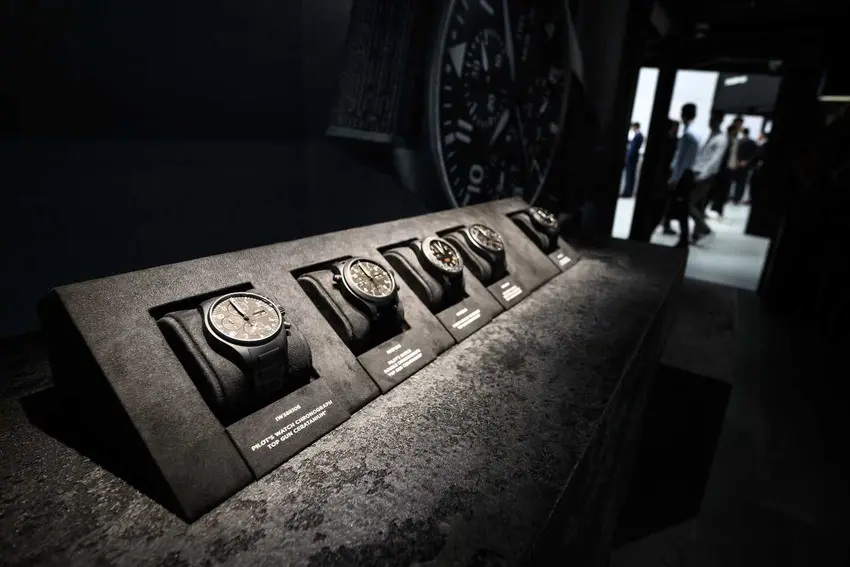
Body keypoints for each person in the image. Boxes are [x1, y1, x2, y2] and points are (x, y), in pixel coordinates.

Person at [688, 109, 729, 243]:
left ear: (720, 121)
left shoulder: (721, 139)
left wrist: (703, 175)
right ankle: (697, 233)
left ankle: (704, 229)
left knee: (688, 203)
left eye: (714, 120)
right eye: (711, 119)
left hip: (705, 176)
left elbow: (715, 160)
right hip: (697, 172)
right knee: (698, 205)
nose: (711, 122)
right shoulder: (709, 135)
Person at [668, 104, 699, 247]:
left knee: (682, 207)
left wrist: (675, 178)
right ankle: (683, 236)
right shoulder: (691, 134)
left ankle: (684, 237)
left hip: (683, 175)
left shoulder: (687, 136)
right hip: (687, 173)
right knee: (682, 207)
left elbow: (682, 160)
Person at [707, 124, 739, 219]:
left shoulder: (732, 141)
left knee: (722, 190)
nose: (737, 132)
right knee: (717, 189)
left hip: (727, 169)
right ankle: (714, 208)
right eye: (735, 130)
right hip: (723, 169)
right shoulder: (726, 141)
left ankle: (717, 208)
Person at [658, 119, 681, 235]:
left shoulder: (673, 141)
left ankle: (665, 222)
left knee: (667, 200)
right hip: (665, 173)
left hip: (668, 173)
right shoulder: (671, 141)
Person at [732, 127, 758, 204]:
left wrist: (737, 161)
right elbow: (754, 154)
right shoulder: (752, 142)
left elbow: (735, 152)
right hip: (746, 165)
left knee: (735, 181)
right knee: (742, 182)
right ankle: (737, 198)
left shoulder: (739, 141)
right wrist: (746, 162)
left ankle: (733, 197)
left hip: (737, 164)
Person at [621, 122, 644, 198]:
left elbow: (633, 149)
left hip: (631, 159)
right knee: (630, 176)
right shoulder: (638, 136)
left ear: (635, 127)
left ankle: (628, 192)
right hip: (632, 158)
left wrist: (628, 157)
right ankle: (628, 191)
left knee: (629, 176)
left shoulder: (638, 135)